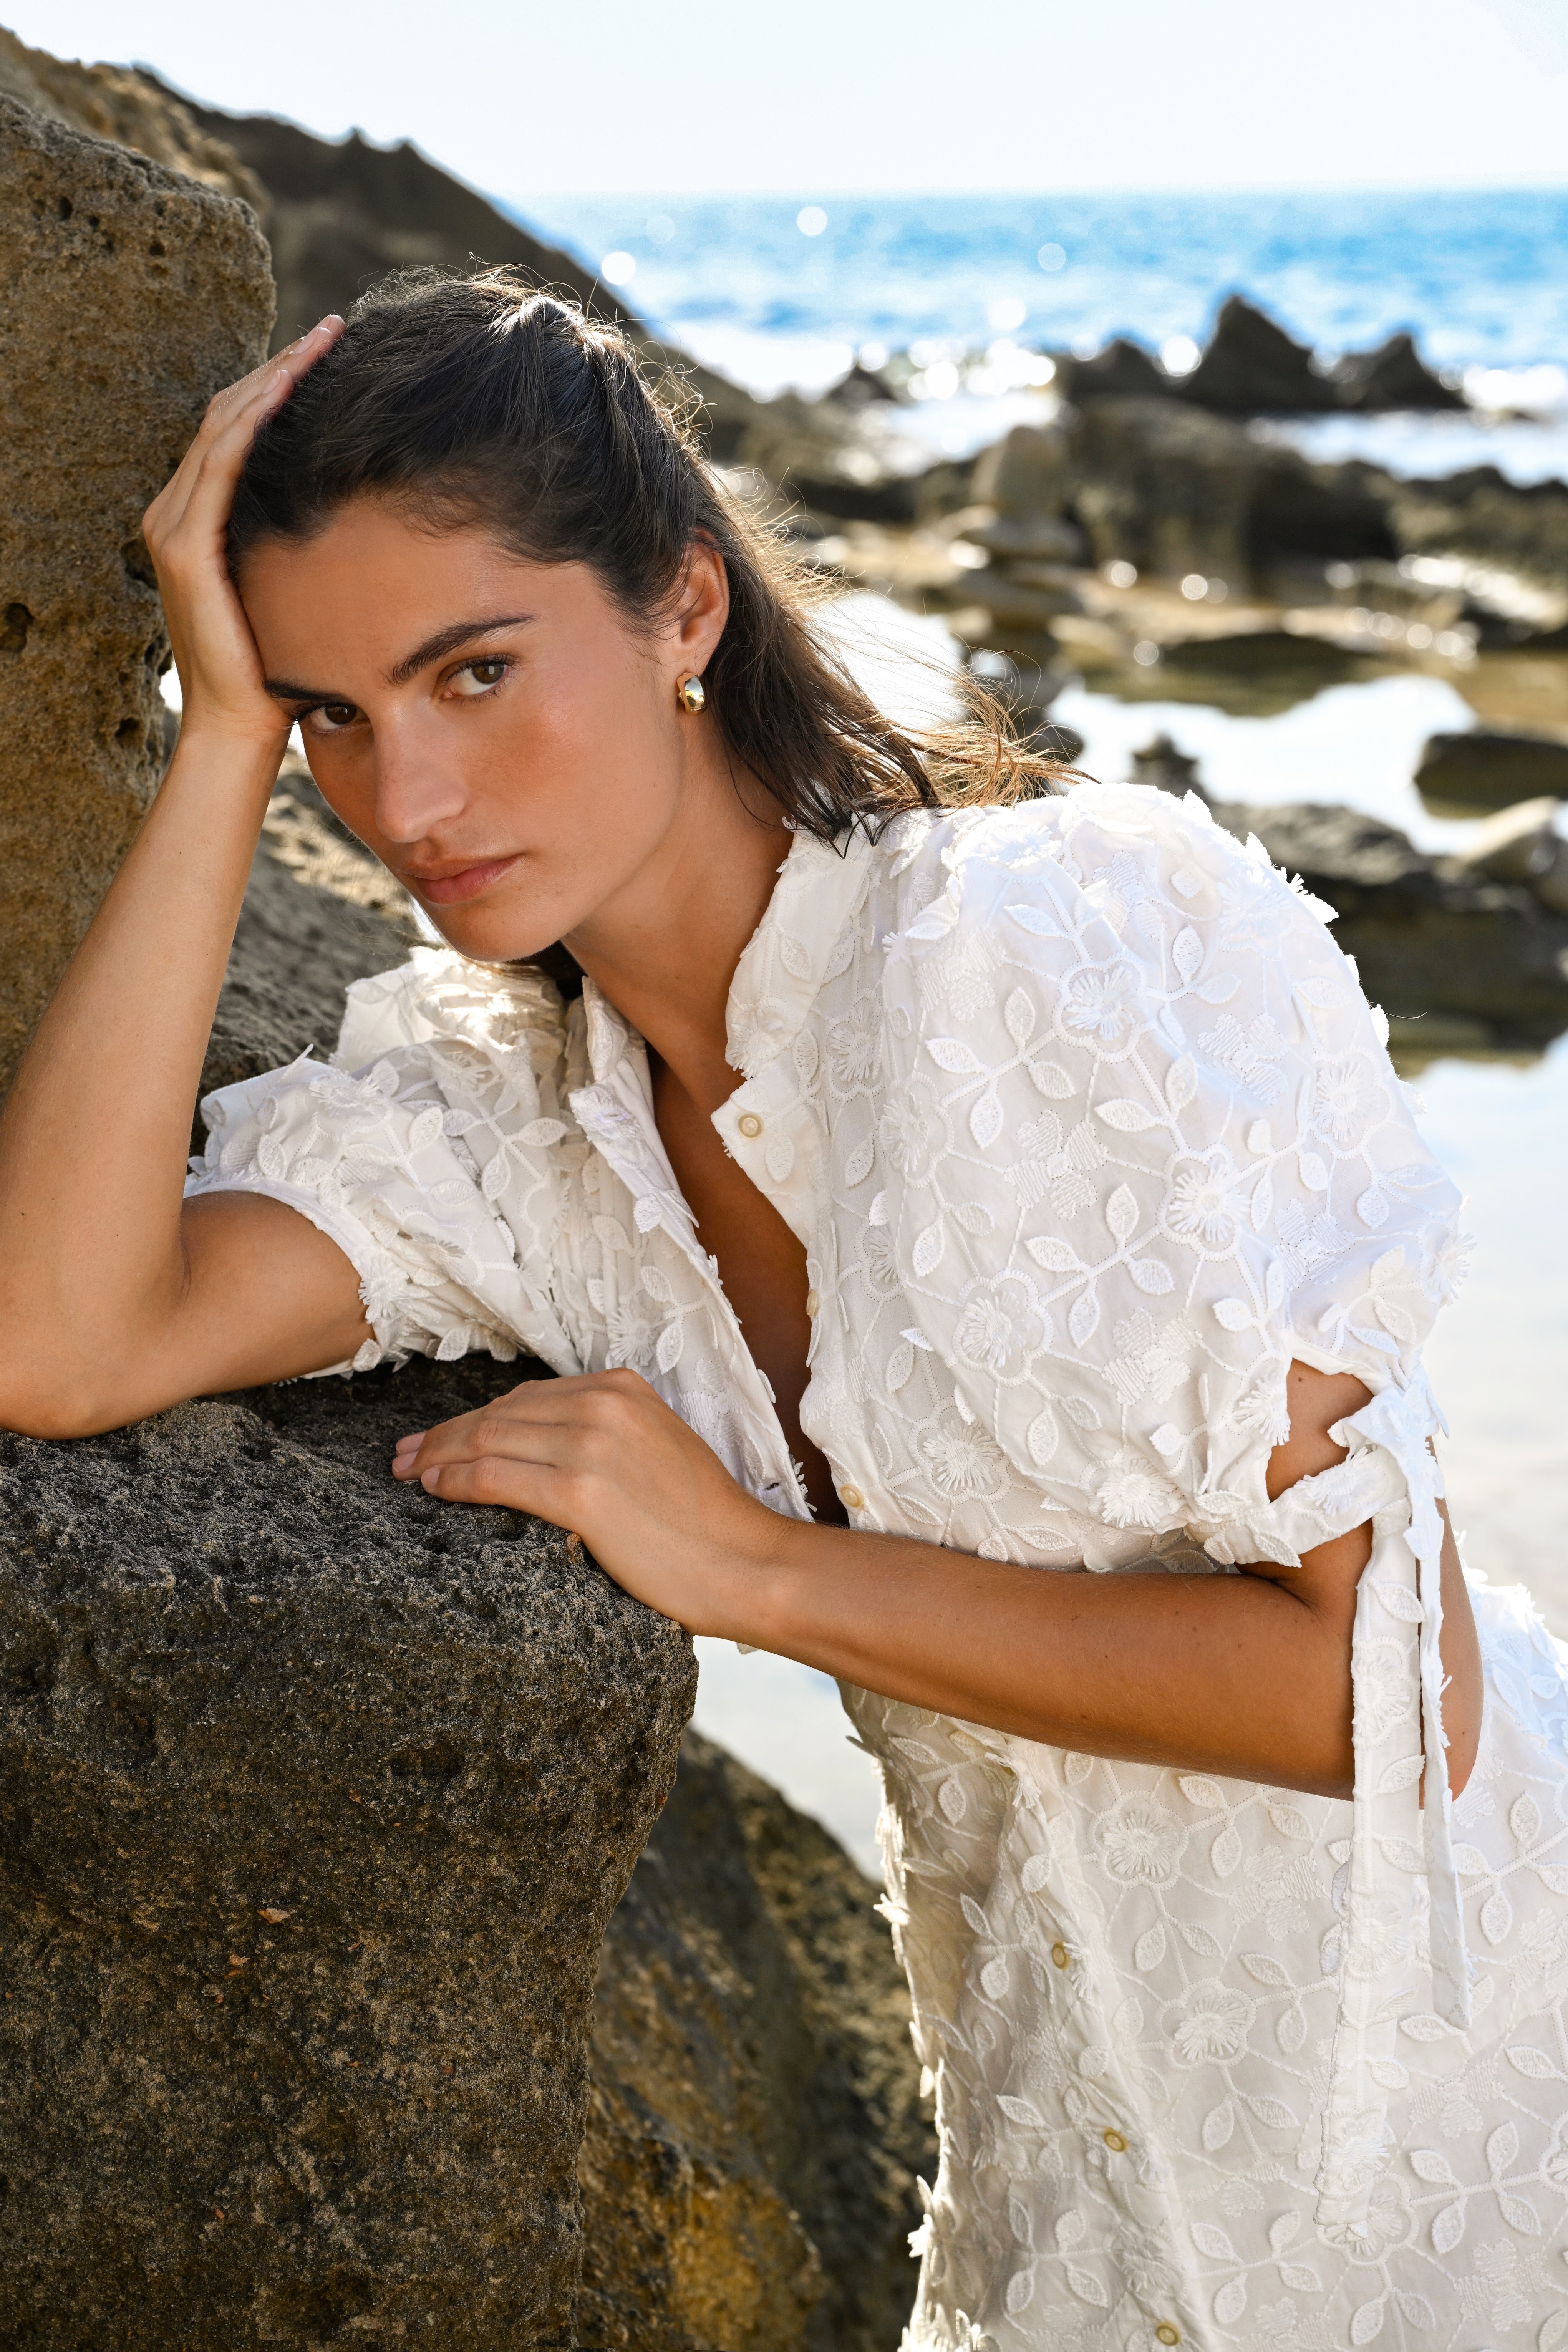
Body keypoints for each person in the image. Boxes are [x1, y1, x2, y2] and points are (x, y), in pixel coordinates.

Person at [0, 271, 1563, 2352]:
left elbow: (1387, 1702)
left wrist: (755, 1568)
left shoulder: (1045, 950)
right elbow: (60, 1341)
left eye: (477, 671)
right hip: (1082, 2202)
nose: (411, 801)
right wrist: (214, 743)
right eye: (334, 717)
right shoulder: (511, 1128)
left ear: (684, 607)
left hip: (1476, 2100)